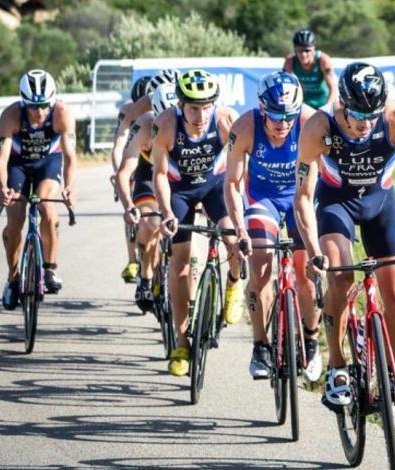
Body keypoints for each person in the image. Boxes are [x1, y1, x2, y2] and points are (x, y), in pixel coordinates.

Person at [295, 62, 395, 427]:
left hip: (380, 205)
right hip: (335, 204)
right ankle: (337, 365)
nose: (364, 123)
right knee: (340, 279)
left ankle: (390, 375)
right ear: (342, 103)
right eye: (357, 114)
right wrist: (313, 250)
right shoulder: (319, 127)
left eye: (371, 115)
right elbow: (303, 196)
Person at [224, 71, 321, 382]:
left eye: (289, 116)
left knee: (306, 273)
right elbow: (232, 183)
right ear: (262, 109)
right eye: (276, 116)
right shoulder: (244, 127)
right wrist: (240, 230)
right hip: (262, 199)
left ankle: (311, 338)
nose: (283, 124)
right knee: (262, 265)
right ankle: (261, 346)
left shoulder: (309, 122)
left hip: (300, 198)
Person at [152, 69, 243, 376]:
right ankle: (180, 343)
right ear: (180, 104)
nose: (201, 114)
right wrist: (166, 212)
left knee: (235, 243)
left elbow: (241, 164)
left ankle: (232, 286)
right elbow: (160, 176)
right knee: (179, 261)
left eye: (206, 106)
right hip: (180, 192)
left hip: (215, 187)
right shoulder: (165, 124)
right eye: (193, 107)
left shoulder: (225, 120)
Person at [0, 69, 77, 308]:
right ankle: (12, 278)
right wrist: (2, 188)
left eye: (44, 106)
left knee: (47, 208)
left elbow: (70, 157)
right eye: (32, 107)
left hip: (48, 163)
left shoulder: (61, 113)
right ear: (23, 102)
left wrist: (70, 187)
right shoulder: (11, 115)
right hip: (18, 164)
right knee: (16, 219)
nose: (39, 113)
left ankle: (49, 268)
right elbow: (1, 159)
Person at [115, 83, 178, 312]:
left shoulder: (191, 122)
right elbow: (123, 171)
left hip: (178, 178)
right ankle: (145, 274)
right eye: (162, 120)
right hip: (149, 174)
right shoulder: (143, 125)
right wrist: (128, 205)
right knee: (150, 223)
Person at [282, 29, 337, 110]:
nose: (304, 54)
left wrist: (326, 109)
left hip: (323, 103)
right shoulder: (290, 61)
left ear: (314, 48)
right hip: (303, 105)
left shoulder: (323, 60)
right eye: (299, 50)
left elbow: (333, 88)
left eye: (307, 50)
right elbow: (283, 87)